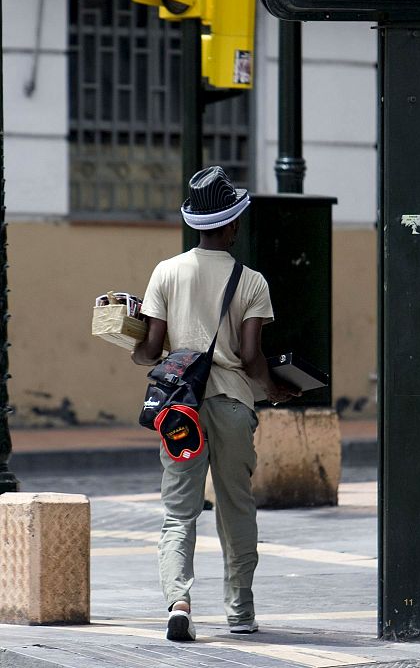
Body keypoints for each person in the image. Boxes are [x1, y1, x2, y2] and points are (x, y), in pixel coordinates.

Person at [131, 165, 299, 642]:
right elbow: (250, 357)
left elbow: (148, 351)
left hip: (179, 409)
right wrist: (275, 389)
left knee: (178, 512)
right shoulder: (252, 281)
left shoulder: (166, 272)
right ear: (232, 224)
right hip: (232, 405)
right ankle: (240, 612)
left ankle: (179, 602)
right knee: (236, 508)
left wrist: (130, 335)